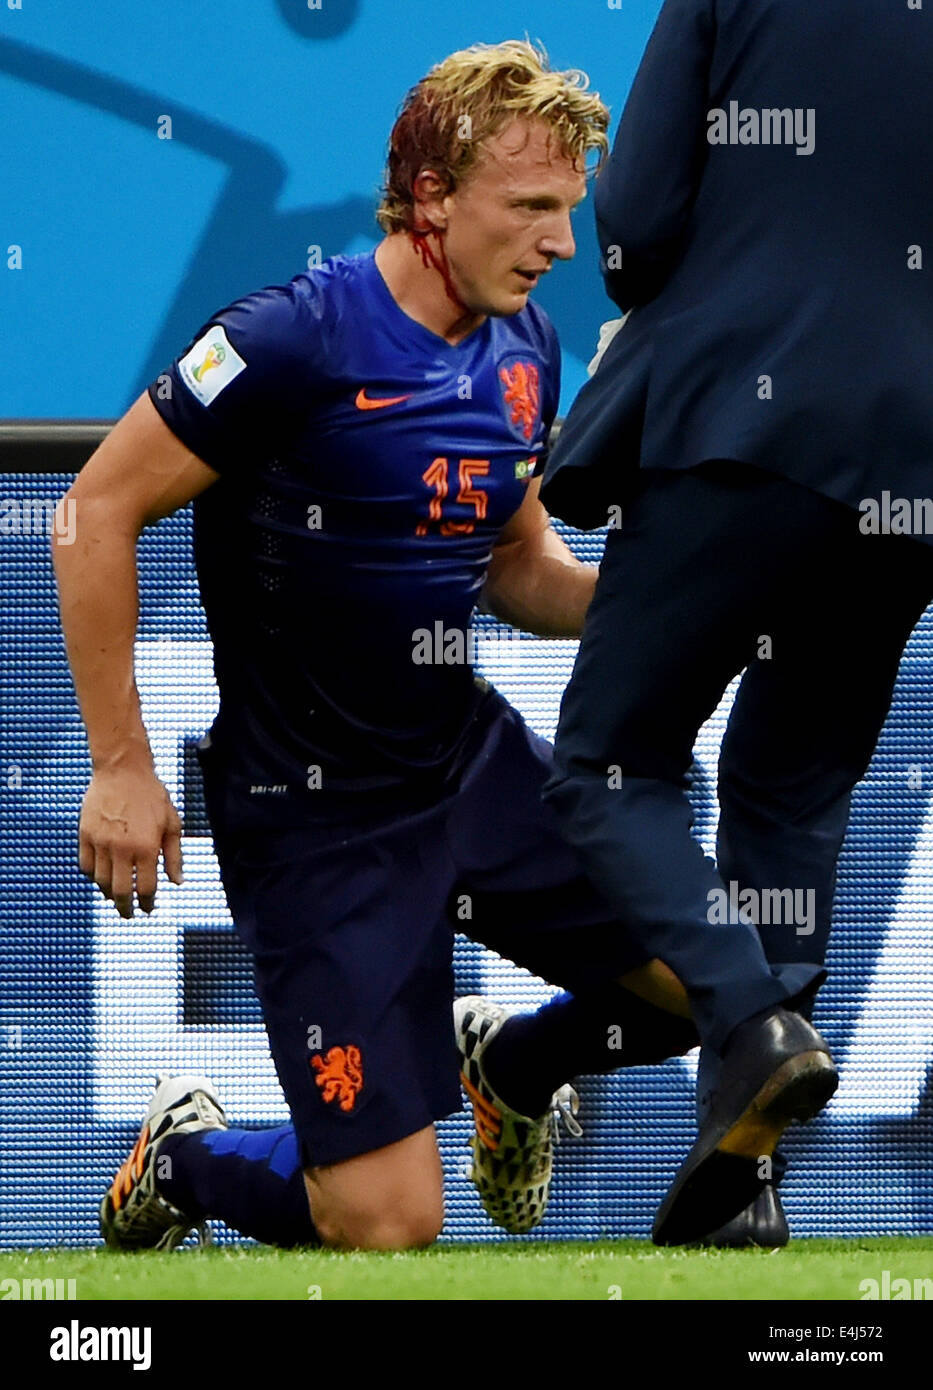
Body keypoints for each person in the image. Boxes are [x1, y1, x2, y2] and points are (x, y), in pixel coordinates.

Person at [53, 41, 702, 1254]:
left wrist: (661, 596)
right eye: (532, 209)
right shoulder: (289, 338)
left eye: (569, 210)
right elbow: (92, 511)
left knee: (704, 979)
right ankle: (189, 1156)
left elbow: (518, 570)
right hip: (316, 823)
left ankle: (511, 1067)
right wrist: (119, 761)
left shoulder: (524, 351)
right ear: (433, 193)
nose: (562, 244)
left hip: (469, 771)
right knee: (389, 1225)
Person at [539, 0, 933, 1245]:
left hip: (741, 419)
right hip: (914, 463)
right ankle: (741, 1191)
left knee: (610, 763)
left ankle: (753, 1017)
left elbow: (639, 213)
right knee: (790, 794)